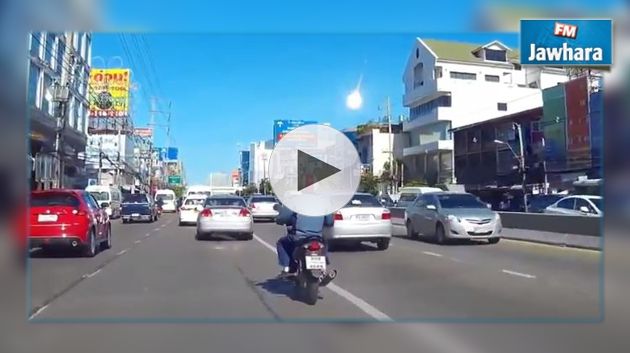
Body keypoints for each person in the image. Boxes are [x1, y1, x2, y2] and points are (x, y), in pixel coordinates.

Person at [275, 204, 336, 284]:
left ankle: (287, 268)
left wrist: (279, 219)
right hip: (317, 237)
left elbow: (284, 217)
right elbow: (329, 221)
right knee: (324, 243)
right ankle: (324, 265)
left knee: (281, 243)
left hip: (300, 237)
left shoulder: (296, 202)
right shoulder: (323, 203)